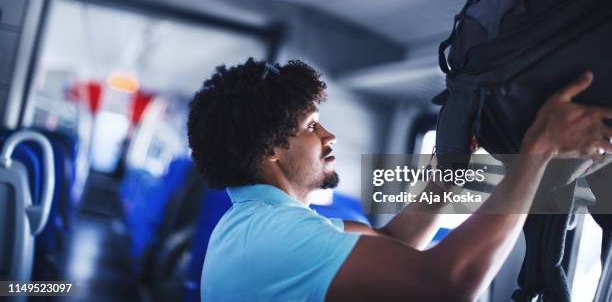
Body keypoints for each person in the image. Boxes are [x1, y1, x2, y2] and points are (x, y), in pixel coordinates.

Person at [187, 58, 612, 302]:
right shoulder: (272, 235)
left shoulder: (255, 224)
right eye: (311, 126)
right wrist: (539, 151)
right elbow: (446, 284)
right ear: (269, 148)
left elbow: (394, 242)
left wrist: (450, 172)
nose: (328, 136)